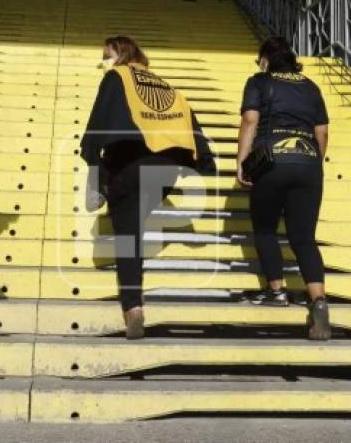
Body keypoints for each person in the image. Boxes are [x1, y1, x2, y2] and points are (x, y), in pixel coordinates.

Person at [81, 36, 216, 339]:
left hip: (131, 165)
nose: (103, 61)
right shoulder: (165, 85)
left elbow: (100, 120)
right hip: (166, 169)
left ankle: (133, 307)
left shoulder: (118, 77)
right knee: (136, 223)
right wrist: (204, 160)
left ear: (120, 53)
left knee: (127, 237)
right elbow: (190, 123)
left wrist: (92, 159)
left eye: (106, 54)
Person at [236, 37, 331, 340]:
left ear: (265, 58)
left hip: (272, 162)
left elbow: (250, 121)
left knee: (265, 229)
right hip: (309, 163)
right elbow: (322, 132)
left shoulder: (259, 81)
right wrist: (312, 163)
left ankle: (276, 290)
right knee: (304, 238)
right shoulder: (310, 86)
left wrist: (242, 162)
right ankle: (319, 301)